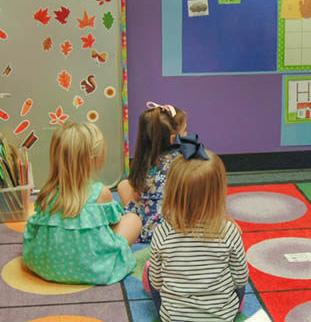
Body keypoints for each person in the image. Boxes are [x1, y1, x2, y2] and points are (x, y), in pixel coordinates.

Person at [145, 134, 249, 322]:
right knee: (240, 282)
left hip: (174, 317)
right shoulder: (229, 231)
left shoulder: (162, 232)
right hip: (221, 316)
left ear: (173, 192)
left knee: (151, 274)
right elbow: (240, 278)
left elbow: (158, 282)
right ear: (218, 193)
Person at [22, 122, 141, 285]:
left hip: (46, 267)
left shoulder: (46, 192)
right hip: (93, 268)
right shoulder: (100, 192)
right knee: (133, 220)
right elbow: (114, 222)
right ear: (92, 159)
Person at [117, 101, 187, 242]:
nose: (187, 134)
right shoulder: (182, 160)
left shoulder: (143, 160)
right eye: (185, 130)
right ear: (174, 139)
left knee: (124, 185)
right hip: (174, 228)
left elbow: (137, 193)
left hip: (144, 227)